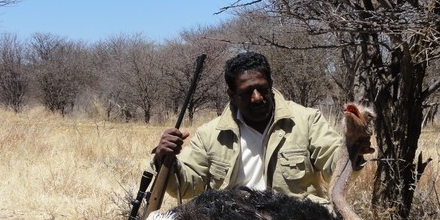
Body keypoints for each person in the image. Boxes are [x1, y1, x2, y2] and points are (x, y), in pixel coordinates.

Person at [153, 51, 372, 204]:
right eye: (247, 92)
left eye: (262, 89)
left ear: (270, 84)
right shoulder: (210, 134)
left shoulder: (306, 120)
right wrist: (165, 160)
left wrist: (351, 151)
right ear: (232, 95)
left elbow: (331, 165)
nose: (257, 98)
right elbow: (186, 186)